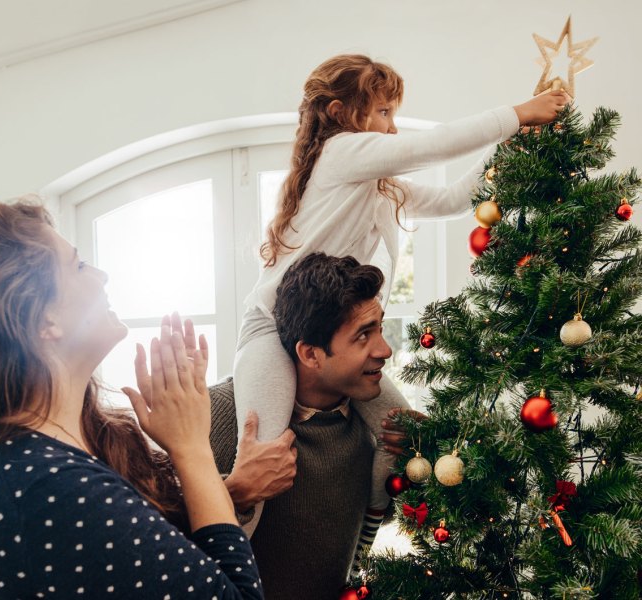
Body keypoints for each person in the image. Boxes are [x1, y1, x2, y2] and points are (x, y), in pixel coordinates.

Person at [232, 53, 570, 553]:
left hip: (339, 336)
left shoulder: (380, 186)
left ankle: (364, 539)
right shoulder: (341, 154)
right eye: (384, 113)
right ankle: (227, 558)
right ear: (340, 113)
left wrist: (512, 140)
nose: (392, 130)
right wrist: (518, 112)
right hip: (272, 330)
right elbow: (431, 146)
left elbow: (456, 198)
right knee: (264, 455)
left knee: (402, 435)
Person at [0, 201, 264, 599]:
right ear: (46, 321)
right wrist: (192, 447)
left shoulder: (48, 462)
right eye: (78, 266)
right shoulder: (45, 486)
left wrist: (229, 486)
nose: (101, 275)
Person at [211, 252, 420, 599]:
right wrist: (237, 491)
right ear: (310, 354)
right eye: (363, 335)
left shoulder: (368, 430)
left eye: (380, 328)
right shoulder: (220, 415)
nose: (385, 350)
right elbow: (161, 540)